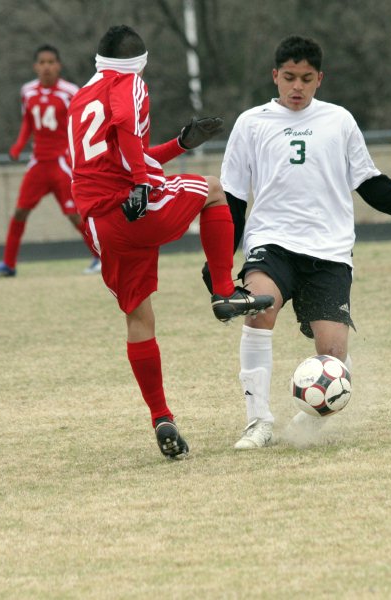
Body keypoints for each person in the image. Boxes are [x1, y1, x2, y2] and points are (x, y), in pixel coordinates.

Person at [219, 35, 391, 450]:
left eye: (305, 78)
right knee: (258, 311)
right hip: (271, 242)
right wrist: (218, 259)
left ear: (320, 79)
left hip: (328, 251)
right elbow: (232, 199)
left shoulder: (339, 120)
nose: (296, 87)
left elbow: (370, 183)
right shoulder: (251, 123)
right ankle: (257, 422)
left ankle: (309, 419)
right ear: (274, 77)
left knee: (333, 357)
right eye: (288, 78)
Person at [67, 25, 273, 459]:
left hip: (98, 225)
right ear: (139, 63)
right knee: (214, 189)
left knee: (139, 319)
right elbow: (125, 125)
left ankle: (161, 417)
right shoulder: (129, 82)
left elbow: (124, 153)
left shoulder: (82, 97)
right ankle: (223, 292)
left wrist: (179, 144)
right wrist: (142, 185)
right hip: (128, 207)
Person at [0, 45, 100, 278]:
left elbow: (79, 125)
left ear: (59, 65)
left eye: (51, 62)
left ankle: (102, 257)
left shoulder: (70, 92)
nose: (47, 67)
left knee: (75, 214)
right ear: (35, 66)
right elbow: (27, 121)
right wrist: (18, 145)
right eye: (42, 62)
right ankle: (8, 264)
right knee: (19, 212)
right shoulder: (27, 91)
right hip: (38, 163)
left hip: (61, 163)